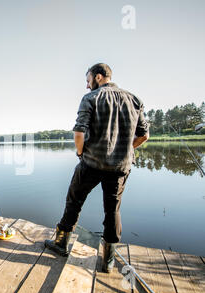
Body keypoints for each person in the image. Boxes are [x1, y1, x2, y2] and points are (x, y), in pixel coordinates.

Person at [44, 63, 150, 273]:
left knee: (74, 200)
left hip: (91, 163)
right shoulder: (135, 99)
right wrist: (125, 150)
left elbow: (79, 133)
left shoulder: (91, 98)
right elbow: (144, 135)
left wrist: (81, 153)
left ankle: (61, 243)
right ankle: (108, 261)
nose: (86, 85)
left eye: (88, 79)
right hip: (120, 167)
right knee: (113, 210)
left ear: (99, 77)